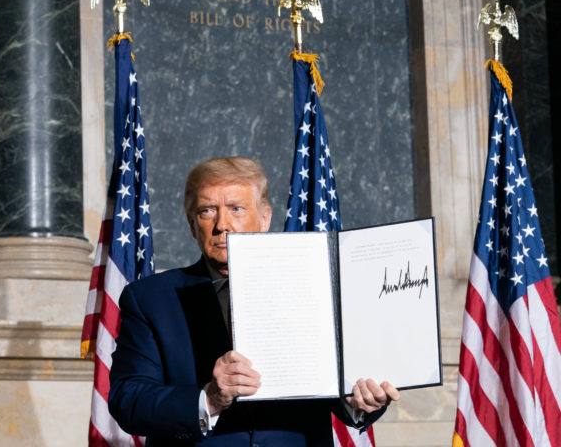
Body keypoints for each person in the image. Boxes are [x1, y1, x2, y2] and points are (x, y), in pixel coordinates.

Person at [109, 157, 400, 446]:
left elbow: (346, 391)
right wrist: (208, 398)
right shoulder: (150, 299)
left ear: (265, 218)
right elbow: (128, 400)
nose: (222, 224)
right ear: (191, 224)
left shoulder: (319, 287)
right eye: (207, 210)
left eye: (236, 208)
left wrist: (359, 400)